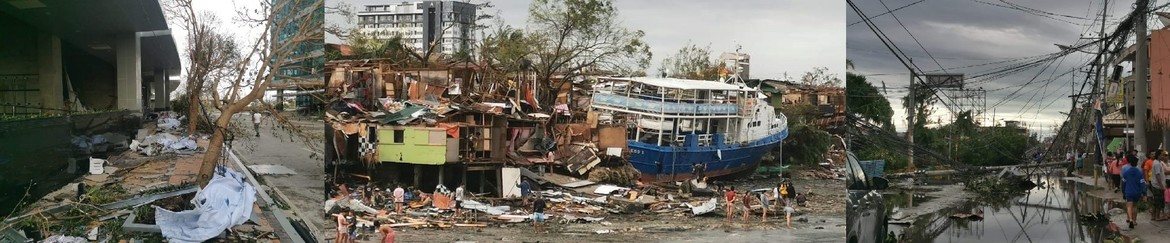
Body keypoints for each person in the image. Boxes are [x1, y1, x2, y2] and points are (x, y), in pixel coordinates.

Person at [1121, 154, 1146, 229]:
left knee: (1129, 206)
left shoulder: (1126, 172)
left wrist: (1123, 192)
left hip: (1128, 191)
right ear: (1136, 163)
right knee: (1135, 206)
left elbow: (1123, 183)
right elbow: (1142, 183)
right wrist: (1144, 193)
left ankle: (1130, 219)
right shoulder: (1139, 172)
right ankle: (1134, 221)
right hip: (1137, 192)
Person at [1152, 152, 1167, 221]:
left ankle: (1153, 216)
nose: (1163, 156)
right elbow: (1158, 175)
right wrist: (1162, 186)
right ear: (1158, 156)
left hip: (1156, 184)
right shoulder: (1157, 163)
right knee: (1158, 201)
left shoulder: (1157, 162)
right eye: (1162, 155)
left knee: (1155, 201)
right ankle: (1157, 217)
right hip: (1157, 186)